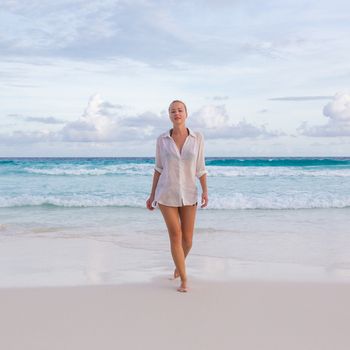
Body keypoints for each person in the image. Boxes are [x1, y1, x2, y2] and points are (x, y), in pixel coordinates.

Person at [146, 100, 208, 293]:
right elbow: (158, 168)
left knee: (188, 240)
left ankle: (178, 265)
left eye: (180, 110)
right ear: (169, 115)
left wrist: (205, 191)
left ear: (186, 113)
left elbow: (200, 168)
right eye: (173, 111)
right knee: (175, 236)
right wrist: (151, 195)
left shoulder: (197, 138)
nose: (177, 113)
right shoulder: (162, 139)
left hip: (189, 193)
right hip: (166, 193)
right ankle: (184, 279)